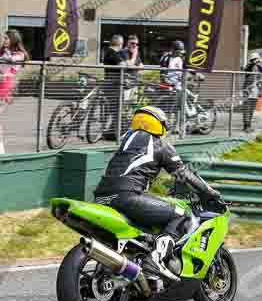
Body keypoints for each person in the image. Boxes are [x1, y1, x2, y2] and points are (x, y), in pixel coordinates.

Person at [92, 106, 222, 279]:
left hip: (102, 197)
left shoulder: (126, 142)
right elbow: (183, 174)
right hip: (128, 196)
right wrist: (208, 192)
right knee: (182, 214)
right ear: (158, 124)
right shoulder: (160, 145)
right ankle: (156, 259)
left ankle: (134, 260)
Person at [0, 29, 30, 155]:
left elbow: (10, 62)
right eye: (3, 38)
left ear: (13, 39)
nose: (4, 41)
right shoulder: (3, 53)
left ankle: (0, 145)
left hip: (5, 87)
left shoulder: (19, 54)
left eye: (6, 38)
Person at [101, 34, 128, 141]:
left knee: (114, 110)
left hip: (110, 83)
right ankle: (116, 134)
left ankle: (111, 132)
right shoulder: (113, 53)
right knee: (117, 110)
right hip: (114, 85)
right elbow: (124, 64)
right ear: (120, 43)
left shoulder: (108, 52)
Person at [242, 51, 262, 132]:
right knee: (248, 108)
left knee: (249, 108)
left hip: (251, 89)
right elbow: (254, 78)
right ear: (255, 60)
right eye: (258, 60)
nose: (260, 62)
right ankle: (247, 126)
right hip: (251, 90)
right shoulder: (253, 66)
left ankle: (247, 125)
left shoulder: (251, 66)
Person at [159, 40, 185, 118]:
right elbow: (162, 73)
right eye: (178, 51)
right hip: (169, 85)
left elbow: (184, 69)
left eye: (180, 51)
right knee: (169, 107)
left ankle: (178, 125)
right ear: (172, 50)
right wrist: (166, 82)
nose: (179, 53)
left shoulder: (181, 58)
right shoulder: (166, 58)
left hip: (178, 85)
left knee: (179, 106)